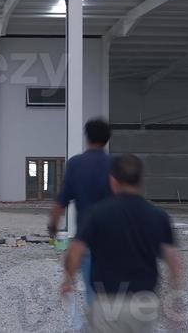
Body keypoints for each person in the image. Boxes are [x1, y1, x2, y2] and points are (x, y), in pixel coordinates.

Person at [61, 153, 182, 333]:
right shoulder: (158, 216)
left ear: (113, 180)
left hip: (108, 302)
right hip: (145, 303)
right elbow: (174, 264)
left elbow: (74, 251)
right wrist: (175, 302)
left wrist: (68, 280)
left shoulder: (97, 214)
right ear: (140, 180)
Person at [48, 118, 112, 298]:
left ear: (87, 138)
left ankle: (97, 320)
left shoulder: (76, 164)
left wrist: (53, 224)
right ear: (107, 139)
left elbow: (61, 201)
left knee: (94, 291)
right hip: (114, 238)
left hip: (87, 238)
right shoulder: (115, 165)